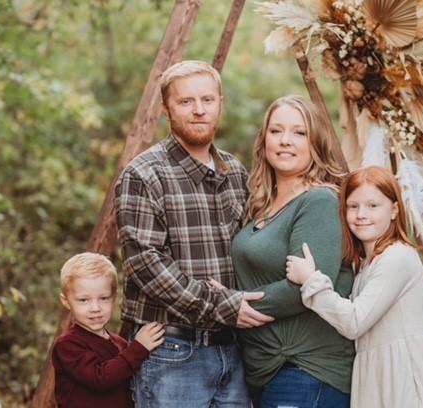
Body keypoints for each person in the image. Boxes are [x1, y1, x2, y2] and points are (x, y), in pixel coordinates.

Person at [114, 60, 273, 408]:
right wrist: (224, 305)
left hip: (233, 349)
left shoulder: (235, 172)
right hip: (172, 351)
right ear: (167, 108)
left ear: (220, 103)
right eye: (186, 102)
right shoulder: (144, 175)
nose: (199, 110)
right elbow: (147, 266)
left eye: (207, 100)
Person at [286, 166, 423, 407]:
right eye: (353, 206)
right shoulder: (366, 265)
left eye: (373, 206)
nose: (361, 214)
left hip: (405, 376)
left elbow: (355, 322)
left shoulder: (397, 257)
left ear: (395, 210)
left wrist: (311, 281)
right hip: (376, 373)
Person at [226, 95, 355, 408]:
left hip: (308, 373)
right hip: (270, 372)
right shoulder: (261, 206)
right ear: (264, 139)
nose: (285, 141)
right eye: (276, 131)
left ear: (316, 143)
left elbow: (308, 286)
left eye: (299, 133)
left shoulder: (319, 202)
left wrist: (234, 305)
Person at [52, 252, 165, 408]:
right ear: (66, 301)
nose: (95, 308)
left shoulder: (120, 343)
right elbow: (100, 379)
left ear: (114, 297)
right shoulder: (67, 345)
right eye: (83, 300)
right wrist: (139, 348)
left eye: (103, 298)